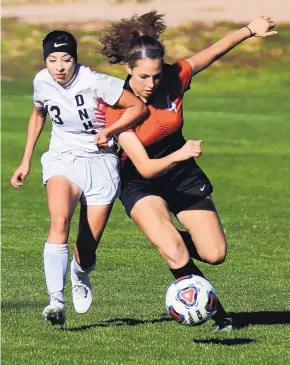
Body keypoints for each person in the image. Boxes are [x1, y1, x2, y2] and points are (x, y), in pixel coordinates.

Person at [10, 30, 203, 326]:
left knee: (86, 250)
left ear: (76, 59)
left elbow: (137, 108)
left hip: (100, 164)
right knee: (59, 220)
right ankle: (55, 301)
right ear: (45, 60)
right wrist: (25, 160)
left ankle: (80, 272)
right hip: (63, 159)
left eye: (66, 59)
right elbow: (38, 115)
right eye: (52, 59)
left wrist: (109, 132)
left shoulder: (97, 82)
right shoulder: (41, 81)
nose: (59, 66)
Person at [98, 12, 277, 331]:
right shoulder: (115, 104)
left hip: (182, 174)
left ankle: (167, 241)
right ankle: (219, 315)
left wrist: (250, 30)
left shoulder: (174, 77)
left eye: (155, 76)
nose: (151, 84)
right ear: (128, 69)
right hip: (139, 179)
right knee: (175, 248)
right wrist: (182, 152)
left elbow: (212, 52)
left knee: (214, 252)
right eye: (143, 77)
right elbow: (144, 167)